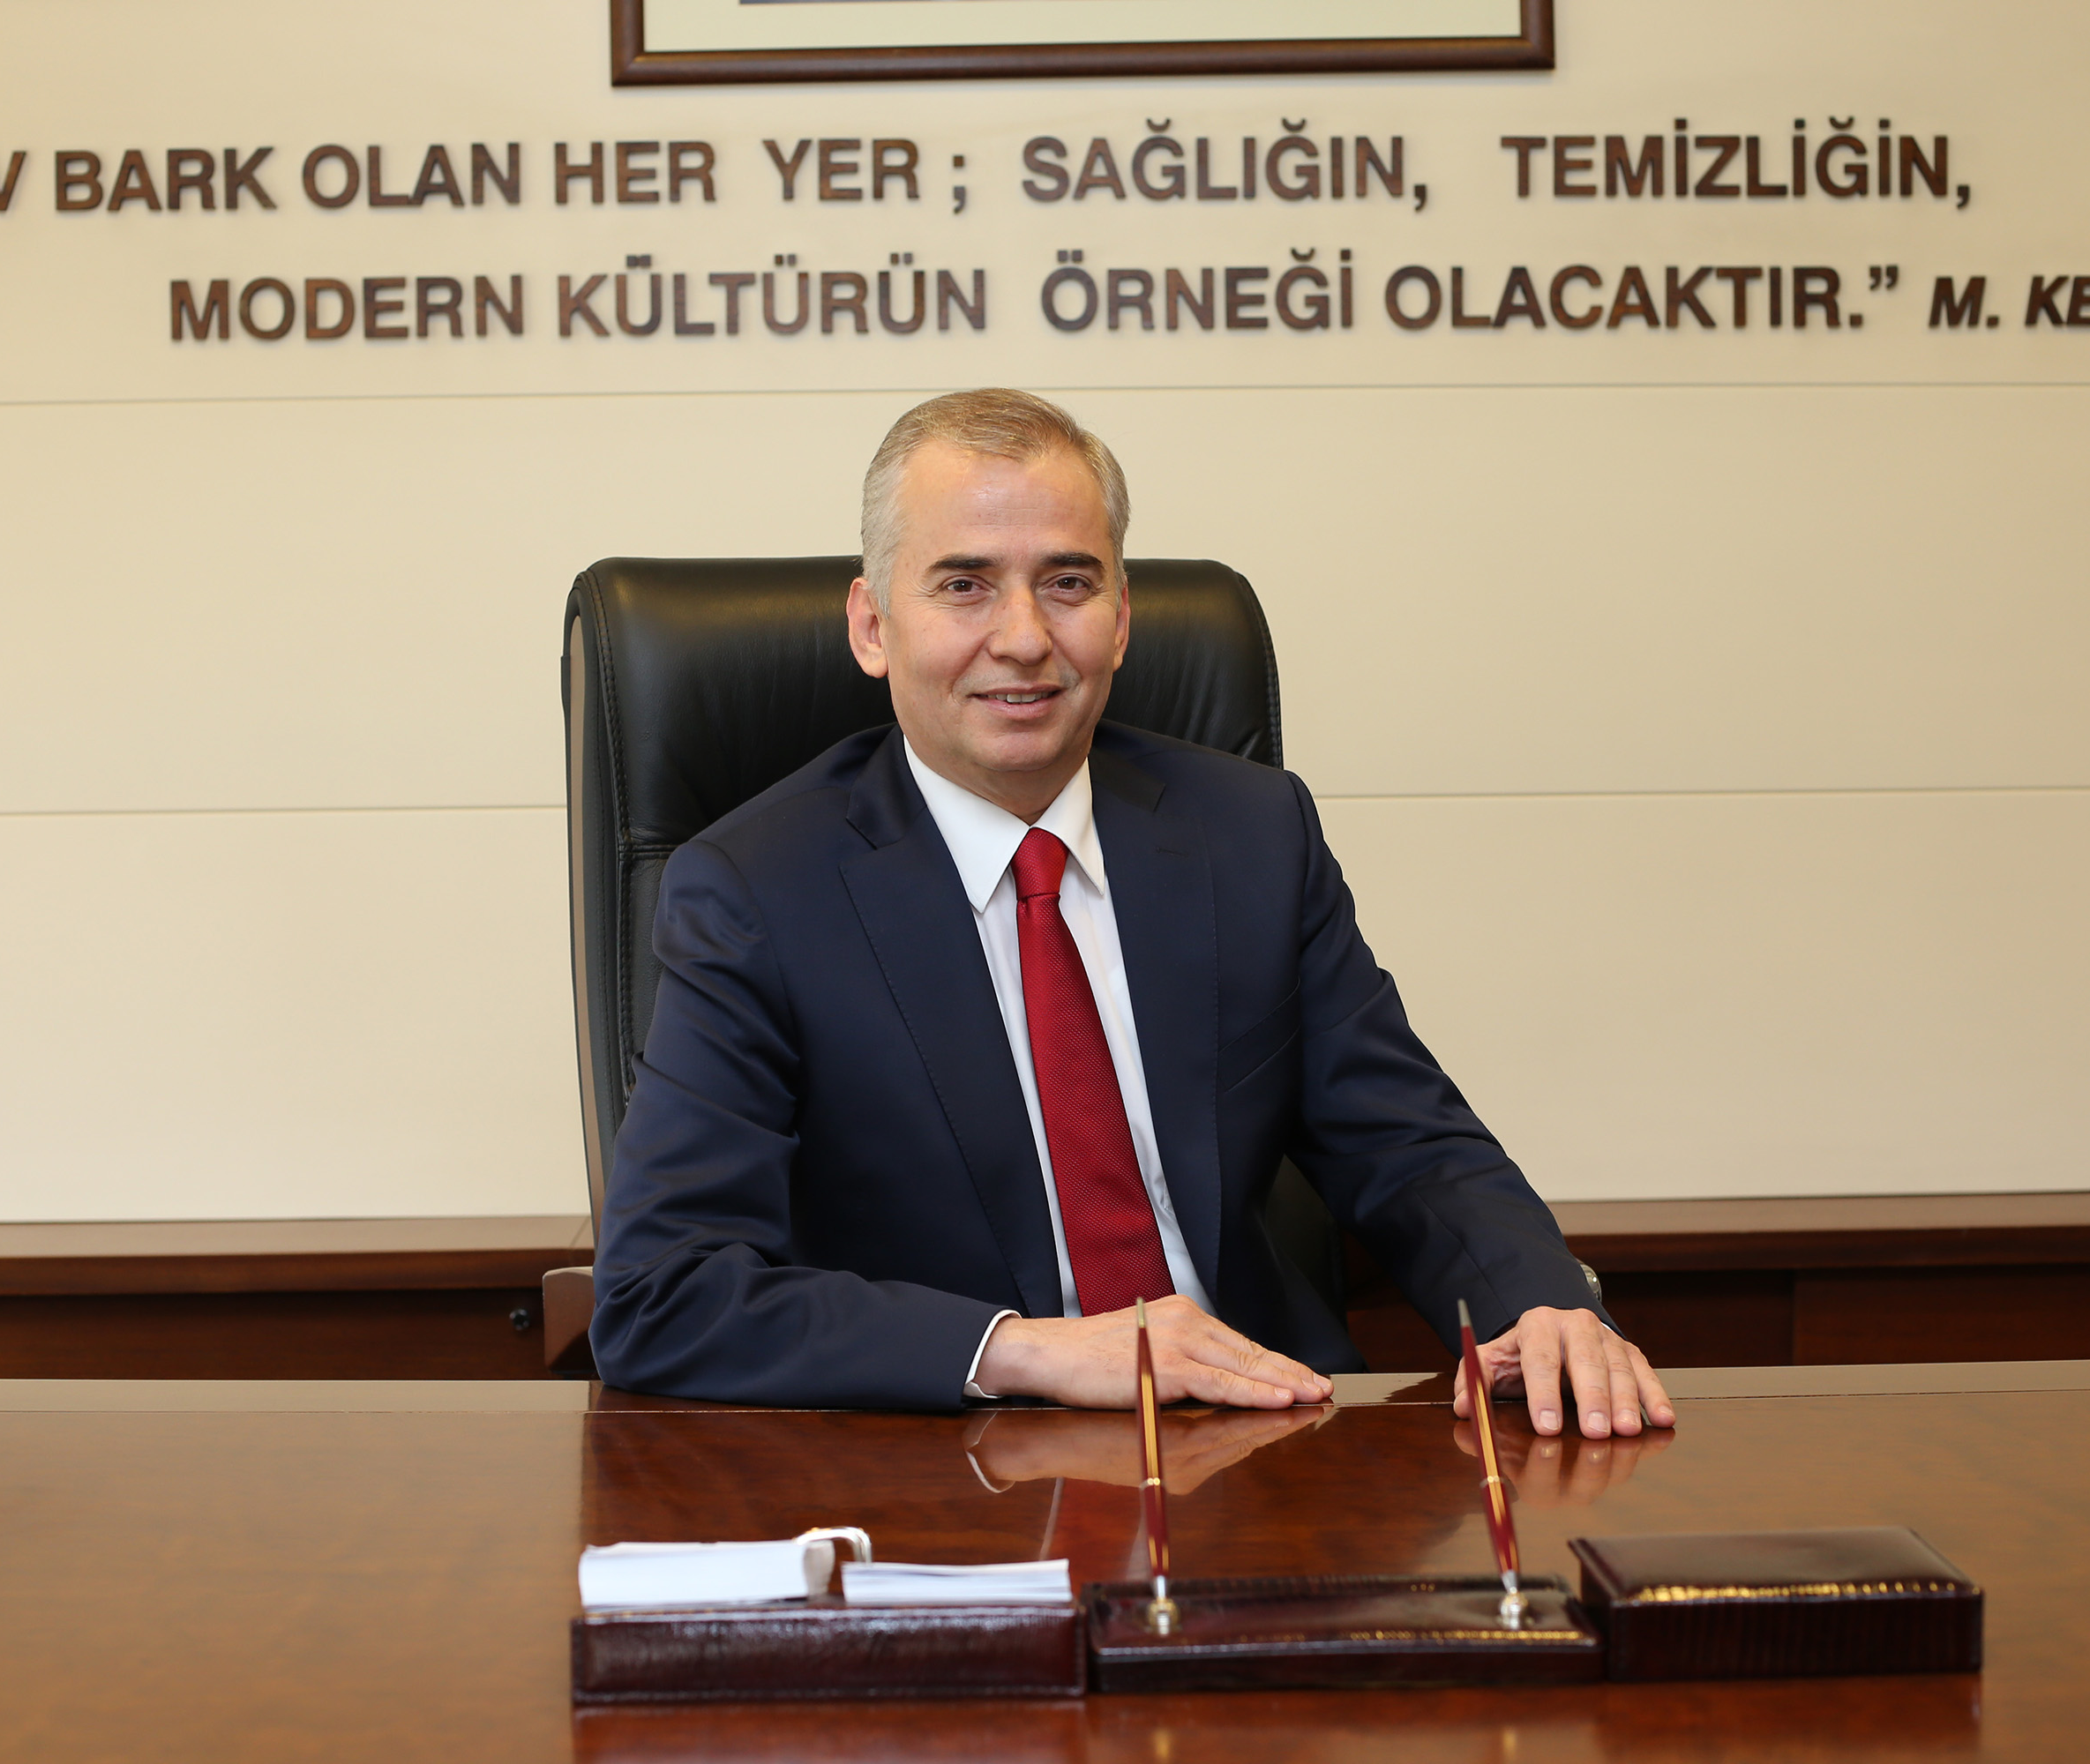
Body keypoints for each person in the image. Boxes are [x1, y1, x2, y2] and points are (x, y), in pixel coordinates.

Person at [589, 389, 1674, 1441]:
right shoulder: (756, 890)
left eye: (1068, 581)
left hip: (1271, 1439)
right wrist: (1025, 1351)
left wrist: (1544, 1303)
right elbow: (661, 1292)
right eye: (965, 584)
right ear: (873, 626)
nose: (1024, 636)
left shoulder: (1250, 832)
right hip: (965, 1469)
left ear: (1120, 619)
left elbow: (1408, 1141)